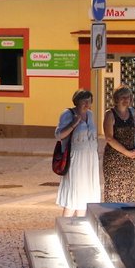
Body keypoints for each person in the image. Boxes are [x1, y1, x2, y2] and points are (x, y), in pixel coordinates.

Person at [55, 89, 101, 217]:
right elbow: (59, 135)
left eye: (89, 101)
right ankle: (65, 224)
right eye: (83, 101)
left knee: (86, 195)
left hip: (90, 158)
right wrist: (73, 124)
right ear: (77, 102)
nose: (87, 104)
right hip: (76, 158)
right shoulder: (68, 114)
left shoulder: (90, 114)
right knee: (74, 193)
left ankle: (82, 223)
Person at [101, 86, 135, 203]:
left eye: (128, 97)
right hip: (114, 158)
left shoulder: (132, 112)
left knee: (129, 190)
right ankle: (112, 214)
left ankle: (128, 214)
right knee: (113, 190)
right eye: (122, 97)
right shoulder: (110, 114)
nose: (126, 99)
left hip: (130, 158)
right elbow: (109, 138)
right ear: (116, 99)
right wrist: (126, 152)